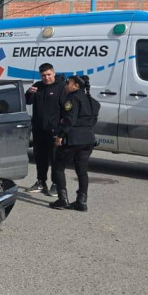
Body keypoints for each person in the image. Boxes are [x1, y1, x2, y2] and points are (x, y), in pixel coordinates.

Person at [50, 75, 99, 211]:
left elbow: (69, 120)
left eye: (68, 83)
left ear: (76, 86)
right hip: (88, 140)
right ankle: (81, 202)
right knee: (82, 171)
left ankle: (62, 199)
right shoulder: (92, 101)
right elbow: (94, 120)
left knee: (58, 167)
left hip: (72, 139)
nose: (66, 85)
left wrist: (60, 136)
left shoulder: (72, 99)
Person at [25, 62, 66, 195]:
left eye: (49, 74)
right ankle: (41, 182)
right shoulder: (38, 86)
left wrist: (61, 130)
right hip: (39, 129)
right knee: (40, 157)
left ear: (53, 73)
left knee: (55, 158)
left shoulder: (62, 87)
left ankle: (56, 184)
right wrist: (29, 92)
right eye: (43, 75)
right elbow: (28, 101)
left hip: (54, 130)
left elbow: (66, 110)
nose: (46, 78)